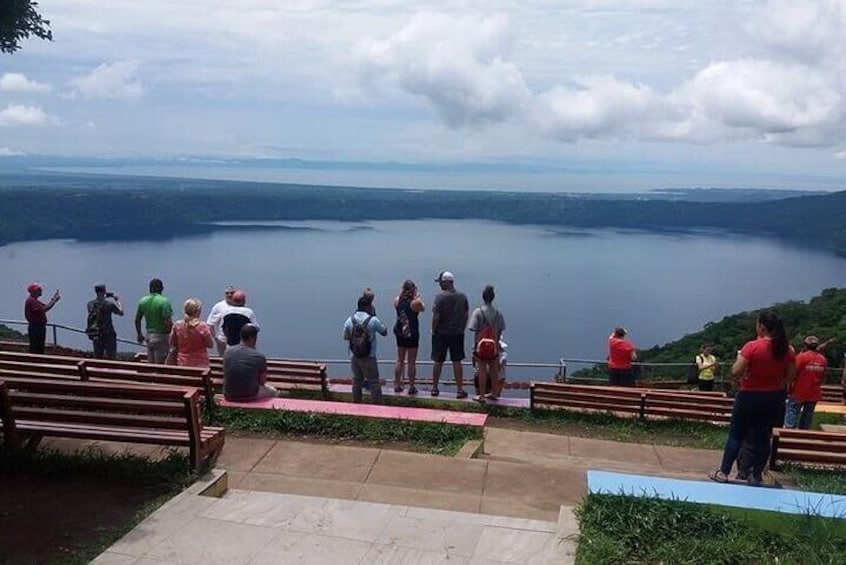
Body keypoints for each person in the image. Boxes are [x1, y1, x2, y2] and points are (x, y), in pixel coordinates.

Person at [710, 311, 795, 486]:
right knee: (764, 437)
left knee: (736, 434)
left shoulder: (752, 346)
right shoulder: (787, 349)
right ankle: (756, 475)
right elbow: (790, 376)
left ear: (762, 326)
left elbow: (736, 371)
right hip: (773, 398)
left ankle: (724, 472)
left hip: (749, 395)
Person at [431, 271, 470, 398]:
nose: (440, 284)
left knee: (438, 361)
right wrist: (462, 329)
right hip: (457, 333)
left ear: (446, 282)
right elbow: (465, 315)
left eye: (441, 282)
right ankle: (459, 390)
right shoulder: (462, 297)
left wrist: (433, 330)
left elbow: (436, 317)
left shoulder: (440, 297)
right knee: (457, 361)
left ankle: (435, 388)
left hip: (441, 333)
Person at [343, 295, 388, 403]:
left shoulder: (349, 320)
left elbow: (345, 336)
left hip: (354, 356)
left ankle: (356, 405)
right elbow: (384, 332)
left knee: (357, 381)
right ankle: (376, 408)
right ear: (368, 307)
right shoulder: (373, 320)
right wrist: (374, 316)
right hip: (369, 356)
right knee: (374, 382)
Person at [467, 285, 506, 403]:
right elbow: (501, 329)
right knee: (494, 370)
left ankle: (482, 395)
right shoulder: (499, 313)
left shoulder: (478, 312)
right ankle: (494, 393)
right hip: (494, 346)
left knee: (482, 370)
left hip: (481, 347)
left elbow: (472, 328)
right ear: (493, 297)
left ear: (483, 297)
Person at [223, 323, 278, 401]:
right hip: (249, 395)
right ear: (252, 338)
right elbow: (262, 382)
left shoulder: (227, 352)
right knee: (274, 392)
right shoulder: (259, 356)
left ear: (241, 336)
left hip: (228, 394)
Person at [784, 335, 827, 429]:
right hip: (814, 393)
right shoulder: (823, 360)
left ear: (805, 345)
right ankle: (803, 437)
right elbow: (823, 377)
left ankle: (788, 436)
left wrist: (788, 387)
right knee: (807, 418)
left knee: (792, 413)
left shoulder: (801, 357)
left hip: (798, 392)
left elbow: (792, 374)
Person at [393, 280, 425, 395]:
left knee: (400, 360)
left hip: (400, 332)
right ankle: (411, 386)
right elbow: (423, 308)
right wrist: (418, 297)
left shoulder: (397, 300)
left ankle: (397, 385)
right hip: (412, 333)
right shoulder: (415, 303)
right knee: (411, 361)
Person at [134, 278, 174, 364]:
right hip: (162, 337)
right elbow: (167, 321)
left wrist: (139, 334)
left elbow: (137, 320)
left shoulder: (142, 301)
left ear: (150, 288)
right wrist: (173, 336)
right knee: (161, 368)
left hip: (149, 336)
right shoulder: (164, 302)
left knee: (151, 366)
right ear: (161, 288)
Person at [168, 298, 214, 368]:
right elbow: (210, 345)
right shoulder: (202, 326)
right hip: (201, 364)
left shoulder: (177, 325)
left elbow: (171, 342)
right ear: (197, 311)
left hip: (182, 363)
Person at [86, 284, 124, 359]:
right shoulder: (109, 304)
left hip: (96, 334)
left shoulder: (90, 304)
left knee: (98, 360)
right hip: (109, 334)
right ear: (104, 292)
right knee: (111, 359)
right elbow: (121, 312)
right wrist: (117, 300)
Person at [24, 282, 60, 354]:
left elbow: (46, 306)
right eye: (39, 289)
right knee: (36, 348)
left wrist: (53, 299)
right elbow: (45, 309)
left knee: (39, 347)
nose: (41, 290)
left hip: (38, 327)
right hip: (36, 327)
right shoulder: (31, 301)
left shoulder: (34, 301)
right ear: (33, 291)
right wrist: (54, 300)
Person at [206, 285, 235, 356]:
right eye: (227, 293)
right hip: (223, 341)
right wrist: (216, 338)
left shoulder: (239, 306)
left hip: (236, 341)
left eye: (231, 293)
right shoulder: (219, 306)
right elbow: (210, 324)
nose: (229, 295)